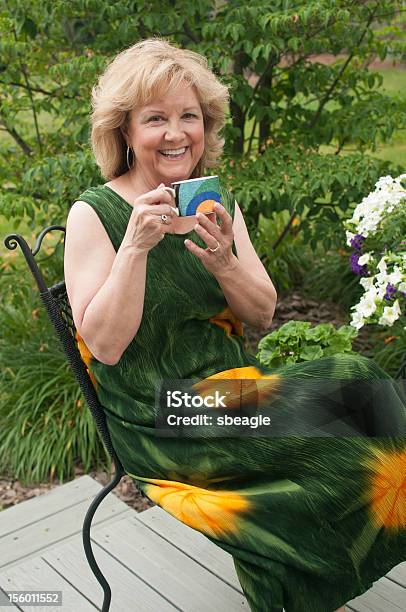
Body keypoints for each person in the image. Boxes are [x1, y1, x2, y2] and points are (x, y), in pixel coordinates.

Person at [64, 38, 406, 612]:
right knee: (338, 437)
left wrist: (224, 262)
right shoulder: (94, 214)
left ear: (207, 126)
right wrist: (136, 248)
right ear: (124, 132)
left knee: (361, 384)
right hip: (159, 412)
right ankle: (295, 585)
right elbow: (105, 347)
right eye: (156, 119)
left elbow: (261, 312)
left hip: (231, 392)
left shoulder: (213, 202)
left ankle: (301, 580)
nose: (177, 134)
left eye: (189, 116)